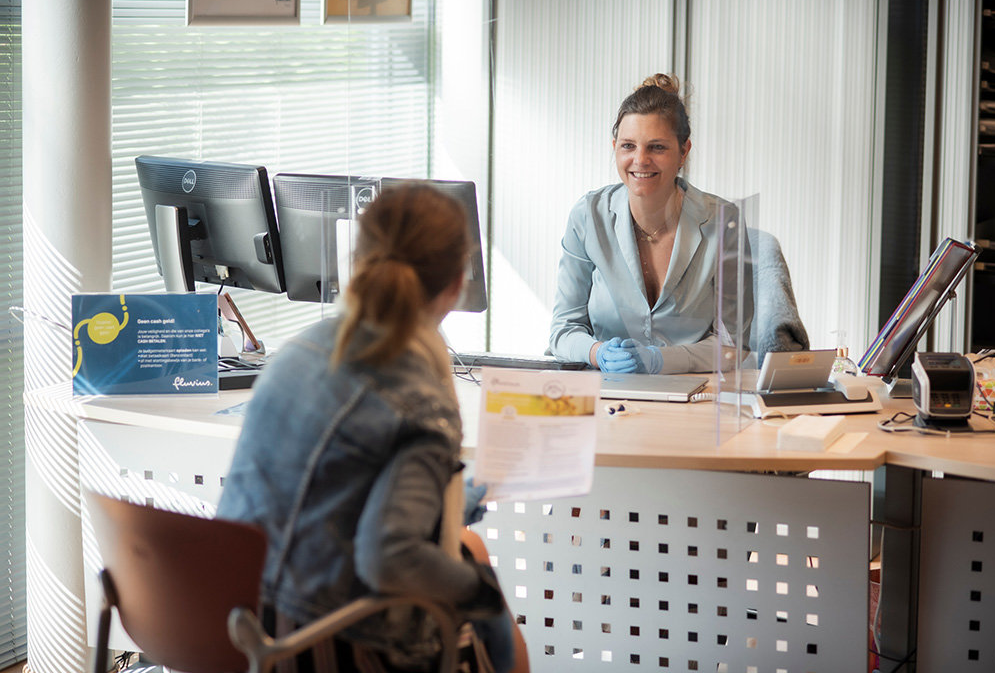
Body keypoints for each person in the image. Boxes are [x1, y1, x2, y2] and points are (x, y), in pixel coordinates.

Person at [218, 184, 528, 673]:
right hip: (326, 645)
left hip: (236, 620)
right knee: (487, 600)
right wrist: (482, 594)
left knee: (468, 548)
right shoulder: (421, 404)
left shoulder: (300, 349)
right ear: (456, 283)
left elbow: (330, 490)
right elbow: (389, 556)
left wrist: (447, 504)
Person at [549, 73, 752, 374]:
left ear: (684, 152)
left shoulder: (723, 221)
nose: (640, 160)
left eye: (657, 147)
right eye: (628, 146)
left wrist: (660, 360)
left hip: (693, 395)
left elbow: (734, 345)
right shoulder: (588, 216)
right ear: (615, 147)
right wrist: (598, 352)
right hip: (605, 393)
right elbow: (563, 330)